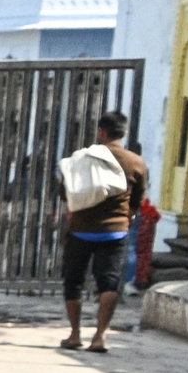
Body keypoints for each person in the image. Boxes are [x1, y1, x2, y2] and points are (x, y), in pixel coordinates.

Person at [60, 111, 147, 353]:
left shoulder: (83, 159)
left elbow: (64, 191)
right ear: (124, 133)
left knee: (73, 282)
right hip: (115, 232)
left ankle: (75, 334)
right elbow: (139, 198)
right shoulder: (136, 162)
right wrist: (125, 216)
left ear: (102, 132)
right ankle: (99, 337)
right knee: (109, 283)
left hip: (81, 231)